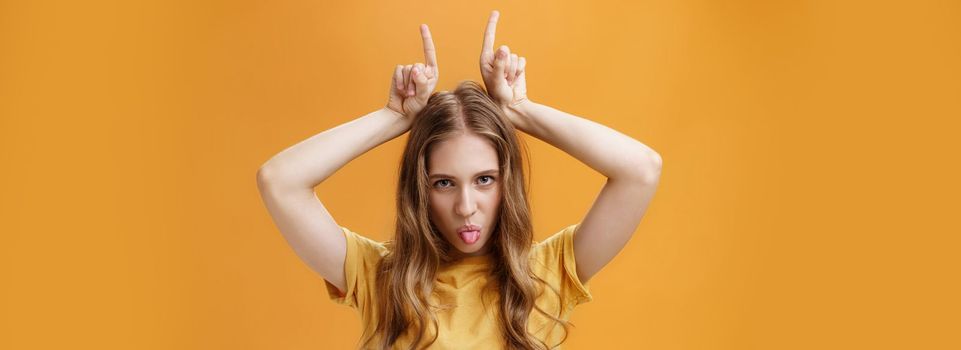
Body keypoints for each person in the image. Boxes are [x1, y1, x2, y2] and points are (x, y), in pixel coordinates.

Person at [256, 10, 662, 350]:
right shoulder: (383, 279)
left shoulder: (546, 275)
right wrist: (394, 118)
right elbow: (280, 180)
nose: (466, 207)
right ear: (420, 189)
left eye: (484, 179)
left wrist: (520, 110)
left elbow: (640, 170)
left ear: (508, 184)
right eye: (444, 183)